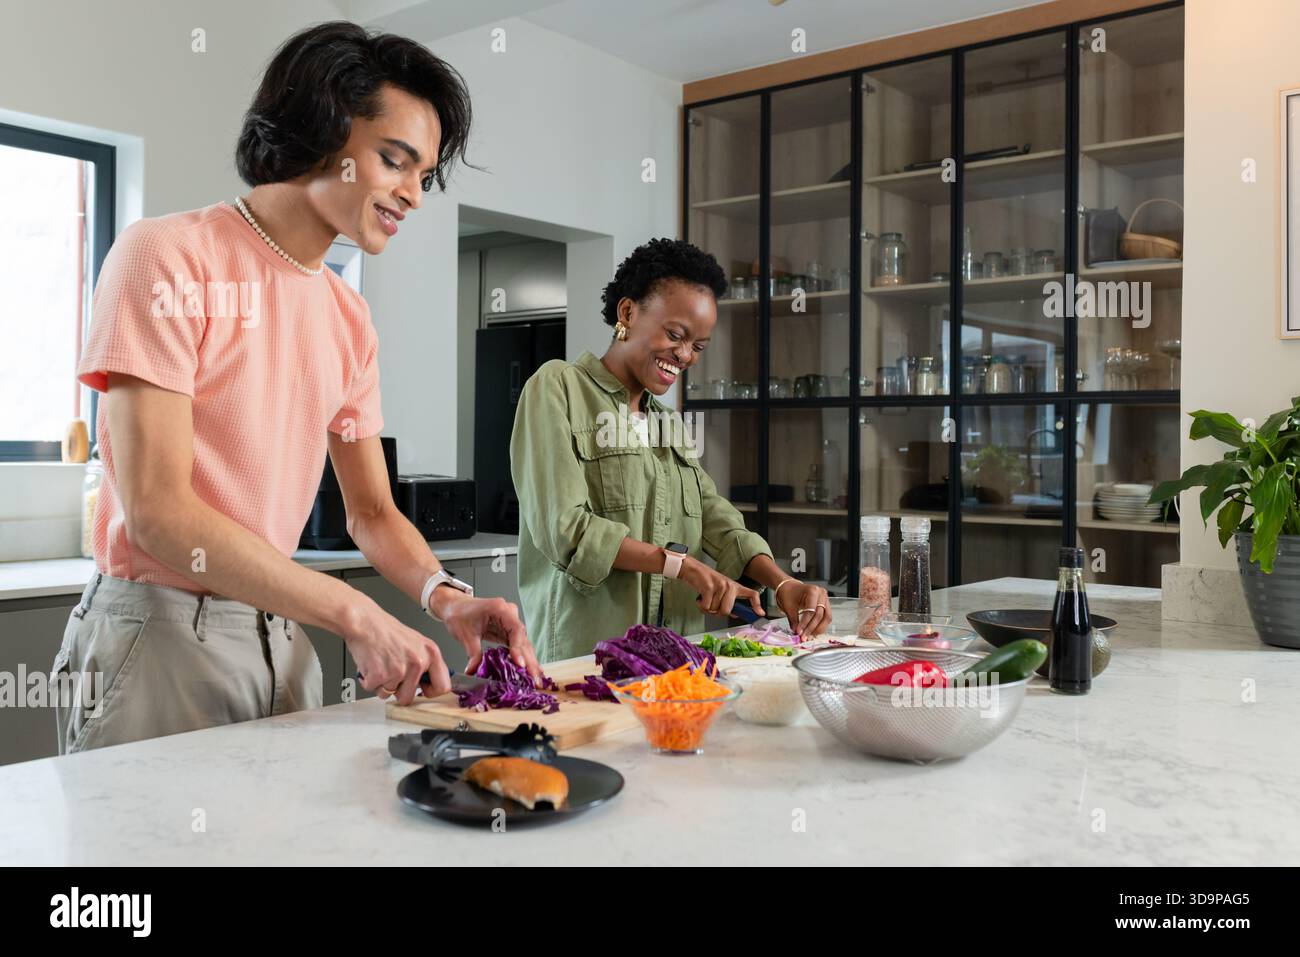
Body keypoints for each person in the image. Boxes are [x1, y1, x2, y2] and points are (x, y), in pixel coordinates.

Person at [53, 21, 538, 754]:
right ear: (322, 129)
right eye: (395, 160)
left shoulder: (347, 316)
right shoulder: (167, 257)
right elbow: (157, 513)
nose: (413, 194)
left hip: (280, 636)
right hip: (158, 637)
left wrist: (448, 596)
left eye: (424, 175)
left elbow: (373, 511)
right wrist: (352, 612)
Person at [510, 238, 831, 662]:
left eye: (698, 347)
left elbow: (715, 516)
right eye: (675, 335)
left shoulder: (666, 423)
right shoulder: (557, 388)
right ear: (628, 313)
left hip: (676, 659)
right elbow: (565, 531)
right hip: (587, 660)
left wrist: (781, 582)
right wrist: (681, 565)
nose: (684, 356)